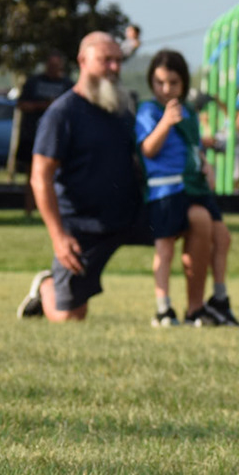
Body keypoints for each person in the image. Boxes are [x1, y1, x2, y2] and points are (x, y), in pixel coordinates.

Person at [17, 32, 152, 322]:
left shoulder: (121, 110)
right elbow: (40, 177)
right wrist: (59, 237)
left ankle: (195, 309)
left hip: (130, 215)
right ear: (82, 61)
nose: (114, 67)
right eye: (106, 60)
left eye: (118, 60)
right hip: (82, 225)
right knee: (69, 316)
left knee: (193, 222)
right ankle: (47, 285)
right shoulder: (62, 114)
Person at [136, 49, 239, 327]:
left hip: (193, 186)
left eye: (173, 83)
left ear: (183, 83)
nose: (166, 89)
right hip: (165, 189)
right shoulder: (150, 111)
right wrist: (165, 123)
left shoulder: (189, 113)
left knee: (222, 237)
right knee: (165, 246)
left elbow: (193, 146)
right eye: (159, 82)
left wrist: (205, 165)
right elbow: (148, 149)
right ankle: (163, 307)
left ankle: (214, 300)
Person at [16, 50, 72, 212]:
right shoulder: (33, 82)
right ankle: (29, 210)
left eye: (57, 65)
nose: (54, 69)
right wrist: (42, 106)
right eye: (51, 65)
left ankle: (55, 210)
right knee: (33, 175)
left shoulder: (68, 85)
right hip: (32, 135)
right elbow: (21, 105)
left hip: (59, 137)